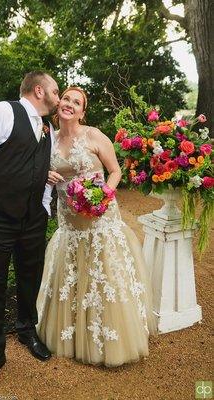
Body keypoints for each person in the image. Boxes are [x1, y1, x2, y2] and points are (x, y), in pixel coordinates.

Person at [37, 87, 157, 367]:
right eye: (66, 99)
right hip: (69, 221)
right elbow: (38, 171)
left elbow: (115, 171)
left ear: (82, 112)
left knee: (104, 275)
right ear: (59, 106)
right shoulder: (48, 141)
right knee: (73, 276)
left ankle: (111, 337)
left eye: (76, 102)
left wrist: (104, 194)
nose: (69, 104)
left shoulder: (94, 136)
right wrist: (45, 173)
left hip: (100, 218)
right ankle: (75, 333)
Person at [0, 71, 62, 395]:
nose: (58, 97)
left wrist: (45, 206)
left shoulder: (46, 128)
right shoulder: (3, 112)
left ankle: (26, 330)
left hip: (33, 219)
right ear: (39, 90)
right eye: (55, 90)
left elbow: (41, 169)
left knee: (29, 277)